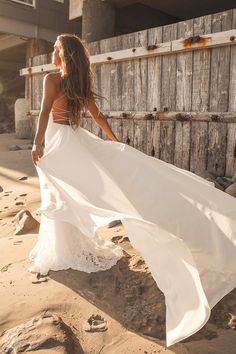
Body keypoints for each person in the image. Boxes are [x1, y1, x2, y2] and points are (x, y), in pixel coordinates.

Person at [29, 33, 236, 348]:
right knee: (65, 195)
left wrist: (37, 142)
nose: (53, 54)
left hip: (58, 141)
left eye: (55, 50)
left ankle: (64, 249)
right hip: (73, 139)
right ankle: (64, 247)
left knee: (62, 195)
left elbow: (44, 112)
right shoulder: (78, 83)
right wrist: (113, 141)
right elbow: (97, 117)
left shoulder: (52, 80)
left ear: (62, 55)